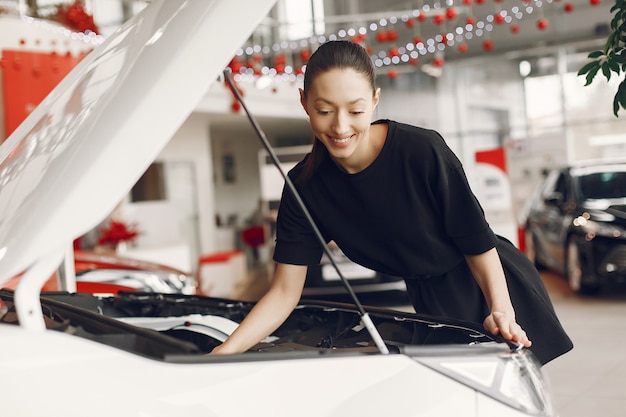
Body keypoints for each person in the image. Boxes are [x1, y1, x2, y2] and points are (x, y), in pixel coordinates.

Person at [212, 40, 573, 365]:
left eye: (355, 111)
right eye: (324, 110)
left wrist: (501, 309)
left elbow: (477, 243)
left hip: (492, 285)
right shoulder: (305, 186)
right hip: (430, 301)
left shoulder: (422, 152)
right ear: (304, 103)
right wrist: (225, 351)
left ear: (374, 100)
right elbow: (284, 291)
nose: (340, 127)